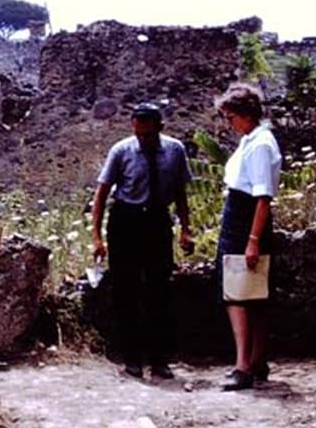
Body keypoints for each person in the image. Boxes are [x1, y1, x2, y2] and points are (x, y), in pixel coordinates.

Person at [90, 102, 195, 380]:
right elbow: (101, 194)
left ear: (160, 128)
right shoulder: (121, 151)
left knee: (159, 290)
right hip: (126, 221)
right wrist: (97, 238)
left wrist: (186, 229)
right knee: (126, 290)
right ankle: (132, 358)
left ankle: (159, 359)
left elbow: (181, 193)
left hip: (157, 222)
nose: (144, 140)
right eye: (139, 134)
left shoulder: (175, 151)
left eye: (149, 135)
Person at [214, 84, 282, 391]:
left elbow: (262, 196)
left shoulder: (260, 144)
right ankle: (255, 360)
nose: (230, 124)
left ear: (244, 115)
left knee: (240, 294)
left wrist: (252, 238)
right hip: (239, 218)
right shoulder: (250, 140)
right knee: (246, 291)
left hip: (245, 221)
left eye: (231, 117)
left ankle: (244, 364)